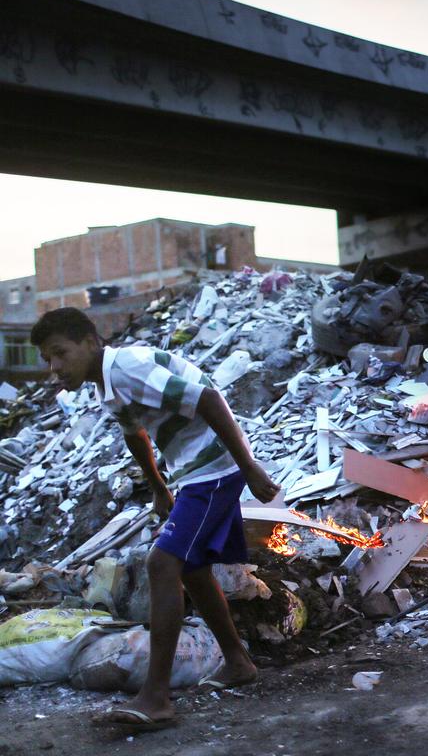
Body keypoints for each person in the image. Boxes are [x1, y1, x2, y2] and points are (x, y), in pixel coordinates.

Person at [31, 307, 280, 731]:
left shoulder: (127, 367)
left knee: (162, 563)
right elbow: (136, 434)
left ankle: (156, 697)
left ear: (91, 343)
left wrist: (250, 466)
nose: (55, 368)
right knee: (195, 569)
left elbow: (206, 398)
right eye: (47, 360)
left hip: (215, 466)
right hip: (193, 472)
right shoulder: (105, 386)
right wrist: (159, 488)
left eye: (60, 354)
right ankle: (238, 662)